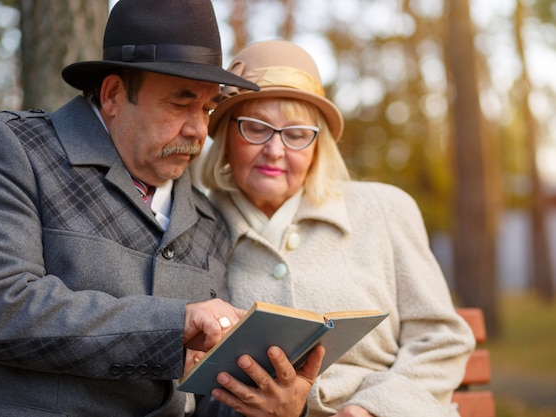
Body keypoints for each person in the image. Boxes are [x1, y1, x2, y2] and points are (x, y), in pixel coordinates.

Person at [0, 3, 323, 416]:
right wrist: (179, 323)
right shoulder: (12, 152)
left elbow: (205, 396)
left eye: (207, 109)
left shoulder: (207, 222)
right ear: (113, 94)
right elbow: (1, 311)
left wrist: (271, 404)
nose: (199, 130)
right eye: (179, 104)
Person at [197, 39, 476, 417]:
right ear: (227, 135)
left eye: (296, 134)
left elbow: (442, 339)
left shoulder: (384, 208)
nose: (275, 151)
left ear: (318, 146)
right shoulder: (197, 223)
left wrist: (372, 409)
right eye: (255, 128)